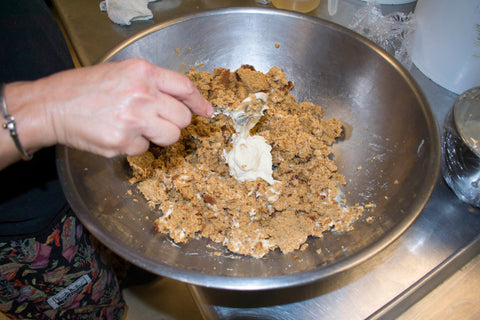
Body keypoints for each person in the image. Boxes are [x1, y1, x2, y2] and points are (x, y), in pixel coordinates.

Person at [0, 1, 212, 319]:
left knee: (133, 251)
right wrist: (45, 108)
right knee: (93, 307)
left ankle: (133, 275)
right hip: (26, 226)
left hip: (86, 128)